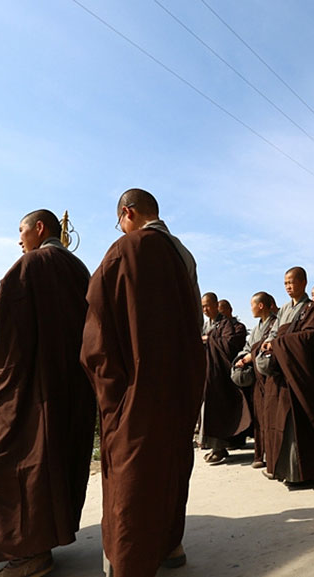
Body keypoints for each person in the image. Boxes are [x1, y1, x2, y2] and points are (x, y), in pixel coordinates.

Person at [80, 189, 205, 576]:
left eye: (120, 219)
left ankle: (129, 561)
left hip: (135, 384)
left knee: (133, 471)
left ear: (127, 213)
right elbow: (195, 322)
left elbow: (98, 327)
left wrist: (106, 382)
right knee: (171, 461)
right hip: (180, 379)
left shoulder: (126, 249)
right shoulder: (183, 253)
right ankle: (170, 544)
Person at [0, 210, 96, 577]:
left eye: (20, 231)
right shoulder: (79, 269)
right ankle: (46, 541)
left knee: (14, 463)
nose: (18, 240)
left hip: (30, 391)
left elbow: (5, 329)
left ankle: (30, 554)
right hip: (70, 388)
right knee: (54, 462)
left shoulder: (30, 264)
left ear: (39, 229)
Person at [257, 268, 314, 485]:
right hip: (281, 374)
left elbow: (313, 336)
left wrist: (279, 343)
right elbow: (273, 332)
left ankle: (302, 473)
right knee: (278, 423)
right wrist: (269, 343)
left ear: (303, 283)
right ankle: (282, 470)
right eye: (285, 283)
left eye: (292, 282)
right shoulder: (284, 309)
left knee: (296, 425)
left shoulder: (311, 308)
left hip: (298, 375)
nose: (288, 287)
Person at [199, 292, 249, 466]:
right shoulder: (206, 325)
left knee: (217, 411)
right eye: (203, 306)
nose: (205, 309)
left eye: (207, 306)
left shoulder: (225, 323)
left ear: (215, 305)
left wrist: (209, 339)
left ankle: (218, 448)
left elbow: (229, 345)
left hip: (219, 375)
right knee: (207, 411)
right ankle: (212, 446)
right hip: (207, 373)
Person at [233, 292, 279, 469]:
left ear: (261, 306)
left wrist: (249, 358)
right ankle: (260, 453)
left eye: (252, 304)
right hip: (258, 379)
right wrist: (242, 357)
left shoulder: (275, 323)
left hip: (271, 376)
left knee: (271, 416)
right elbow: (249, 347)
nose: (250, 308)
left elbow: (267, 346)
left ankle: (272, 455)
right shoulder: (259, 325)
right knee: (260, 416)